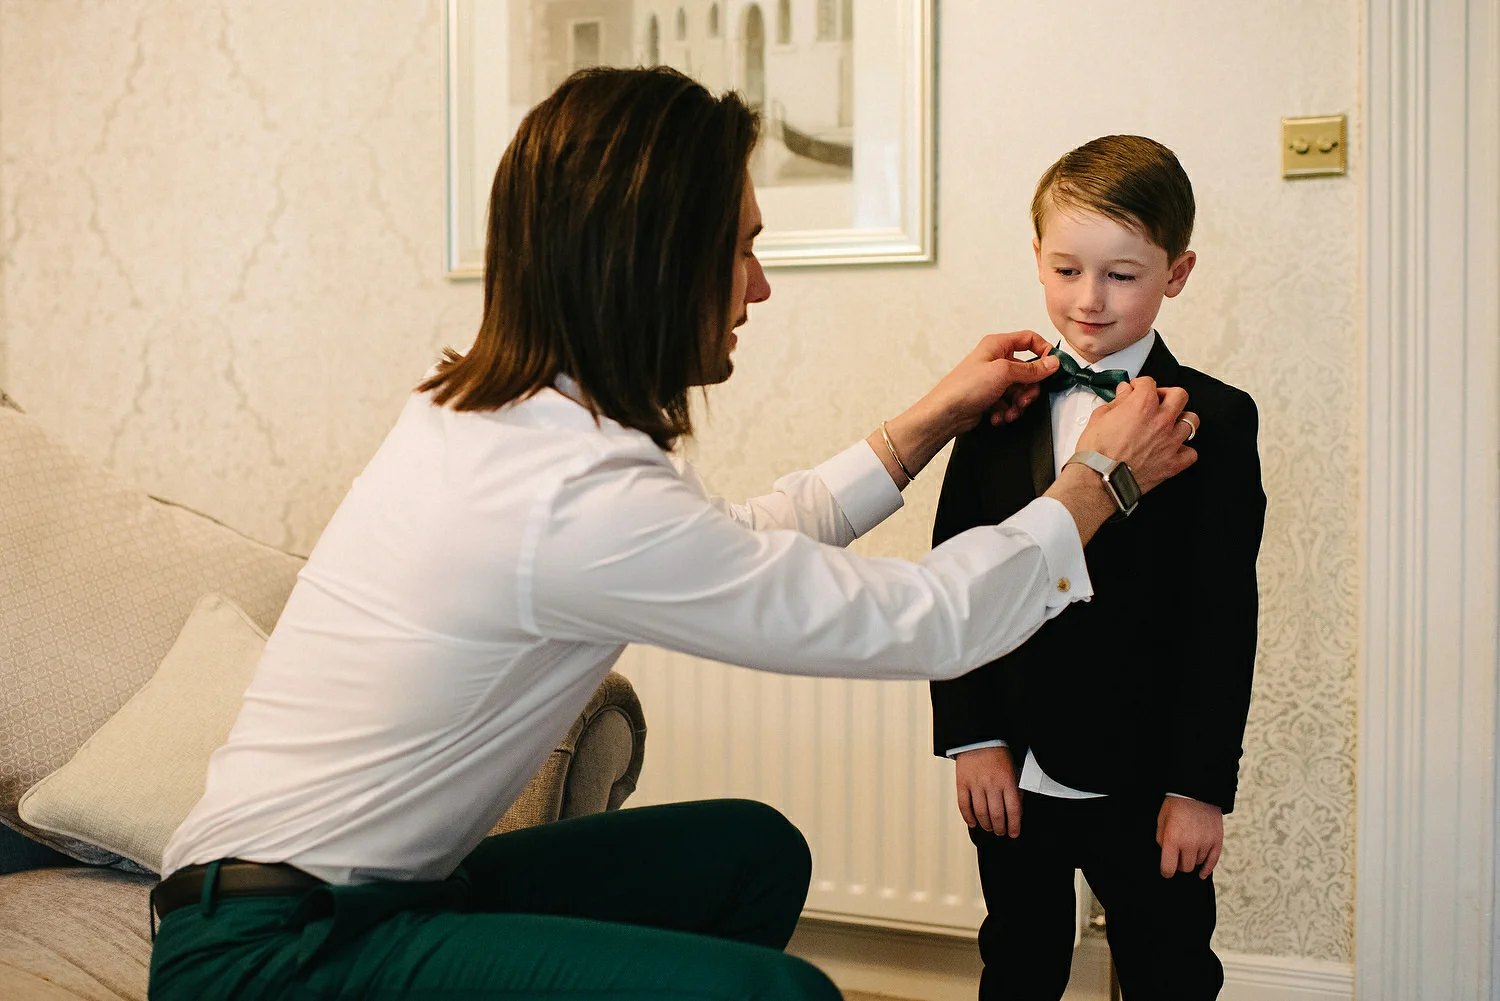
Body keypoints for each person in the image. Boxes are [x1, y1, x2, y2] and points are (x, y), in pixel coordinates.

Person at [148, 73, 1199, 1001]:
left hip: (363, 897)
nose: (760, 285)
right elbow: (922, 621)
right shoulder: (566, 493)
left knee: (748, 852)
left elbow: (734, 540)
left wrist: (926, 421)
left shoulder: (509, 420)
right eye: (740, 248)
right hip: (266, 957)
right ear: (653, 261)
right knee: (774, 992)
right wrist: (1099, 478)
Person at [929, 135, 1266, 1000]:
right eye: (1067, 268)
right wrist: (973, 738)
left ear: (1176, 272)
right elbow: (954, 575)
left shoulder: (1217, 420)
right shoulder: (995, 402)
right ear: (1036, 259)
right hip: (1012, 761)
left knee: (1171, 970)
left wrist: (1199, 788)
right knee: (1019, 962)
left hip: (1148, 772)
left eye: (1122, 273)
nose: (1089, 297)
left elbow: (1222, 617)